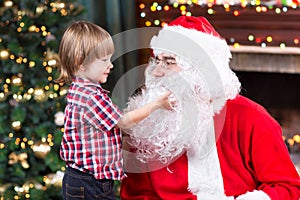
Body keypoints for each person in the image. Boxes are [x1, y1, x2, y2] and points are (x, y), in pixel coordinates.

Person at [120, 16, 300, 200]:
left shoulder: (251, 117)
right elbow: (135, 195)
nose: (156, 72)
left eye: (169, 61)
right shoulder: (149, 123)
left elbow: (288, 188)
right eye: (156, 61)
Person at [56, 21, 172, 200]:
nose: (110, 65)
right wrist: (156, 105)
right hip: (89, 183)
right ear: (81, 63)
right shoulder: (91, 97)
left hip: (82, 179)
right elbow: (123, 122)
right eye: (104, 60)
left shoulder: (81, 89)